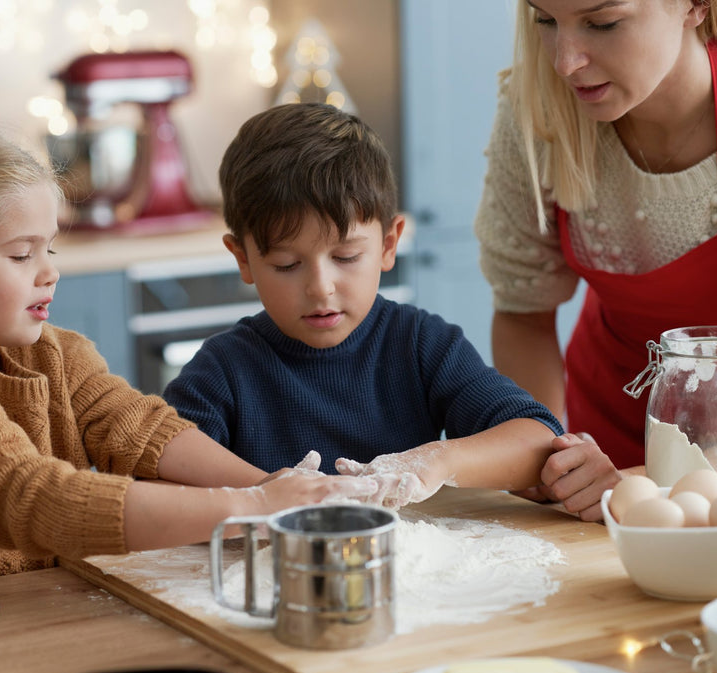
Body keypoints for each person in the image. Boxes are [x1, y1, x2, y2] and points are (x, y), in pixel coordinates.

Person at [0, 124, 378, 579]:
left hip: (29, 624)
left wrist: (265, 486)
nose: (51, 272)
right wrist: (253, 510)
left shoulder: (56, 355)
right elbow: (37, 499)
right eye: (21, 255)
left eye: (51, 248)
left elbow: (138, 428)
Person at [474, 0, 717, 508]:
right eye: (546, 20)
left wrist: (635, 485)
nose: (565, 63)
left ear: (695, 5)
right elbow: (523, 314)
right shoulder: (539, 104)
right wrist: (545, 448)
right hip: (595, 432)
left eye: (603, 23)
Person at [163, 102, 572, 513]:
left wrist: (436, 462)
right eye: (286, 265)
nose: (321, 289)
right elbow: (158, 469)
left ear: (388, 244)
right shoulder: (224, 370)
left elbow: (537, 440)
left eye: (345, 257)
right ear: (243, 260)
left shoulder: (421, 344)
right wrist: (265, 492)